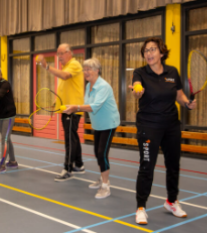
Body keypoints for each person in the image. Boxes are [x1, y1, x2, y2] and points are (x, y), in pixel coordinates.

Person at [129, 37, 197, 225]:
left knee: (173, 165)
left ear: (161, 53)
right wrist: (137, 90)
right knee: (147, 166)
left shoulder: (172, 72)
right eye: (146, 50)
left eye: (153, 49)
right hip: (148, 126)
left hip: (171, 126)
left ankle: (171, 201)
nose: (149, 53)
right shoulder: (140, 72)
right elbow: (136, 87)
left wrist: (187, 103)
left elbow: (179, 95)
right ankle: (141, 207)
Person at [63, 58, 120, 199]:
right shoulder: (88, 86)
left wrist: (75, 107)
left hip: (109, 124)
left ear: (97, 70)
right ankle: (102, 177)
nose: (86, 72)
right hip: (98, 124)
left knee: (102, 153)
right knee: (97, 152)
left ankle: (106, 186)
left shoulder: (103, 86)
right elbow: (85, 104)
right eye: (85, 69)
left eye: (89, 69)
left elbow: (94, 106)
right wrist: (69, 107)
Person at [37, 44, 85, 181]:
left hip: (72, 109)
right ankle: (79, 164)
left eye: (61, 53)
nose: (59, 57)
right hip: (65, 108)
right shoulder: (66, 66)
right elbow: (66, 87)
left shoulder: (74, 64)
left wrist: (47, 66)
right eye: (58, 54)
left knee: (70, 139)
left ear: (69, 53)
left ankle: (68, 169)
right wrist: (56, 103)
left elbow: (64, 77)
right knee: (73, 137)